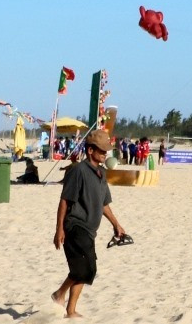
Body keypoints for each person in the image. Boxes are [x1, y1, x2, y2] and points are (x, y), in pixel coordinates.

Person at [52, 129, 128, 319]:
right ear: (90, 150)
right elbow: (64, 201)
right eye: (101, 151)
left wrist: (116, 225)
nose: (104, 154)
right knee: (87, 269)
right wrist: (59, 229)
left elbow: (104, 205)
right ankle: (63, 300)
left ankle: (65, 302)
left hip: (90, 230)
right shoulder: (78, 171)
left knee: (83, 270)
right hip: (75, 226)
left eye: (105, 151)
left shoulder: (101, 173)